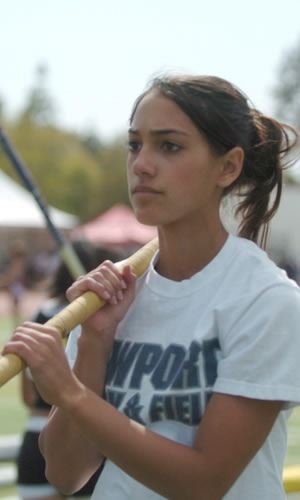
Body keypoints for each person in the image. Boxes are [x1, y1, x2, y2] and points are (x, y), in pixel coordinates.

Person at [3, 74, 300, 500]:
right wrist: (94, 342)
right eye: (134, 144)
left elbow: (203, 483)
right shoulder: (114, 295)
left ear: (228, 166)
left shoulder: (266, 301)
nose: (141, 163)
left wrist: (69, 393)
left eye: (169, 146)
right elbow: (66, 474)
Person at [16, 239, 121, 500]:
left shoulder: (42, 316)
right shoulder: (109, 318)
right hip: (87, 440)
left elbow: (28, 397)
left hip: (40, 432)